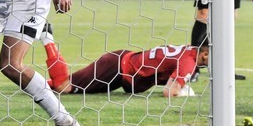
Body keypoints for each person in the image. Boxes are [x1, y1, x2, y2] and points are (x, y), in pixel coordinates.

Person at [42, 30, 209, 98]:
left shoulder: (188, 50)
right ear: (205, 54)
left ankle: (33, 83)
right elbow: (169, 92)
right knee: (63, 87)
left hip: (122, 72)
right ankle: (47, 38)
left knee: (66, 86)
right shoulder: (189, 61)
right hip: (117, 67)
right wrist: (184, 92)